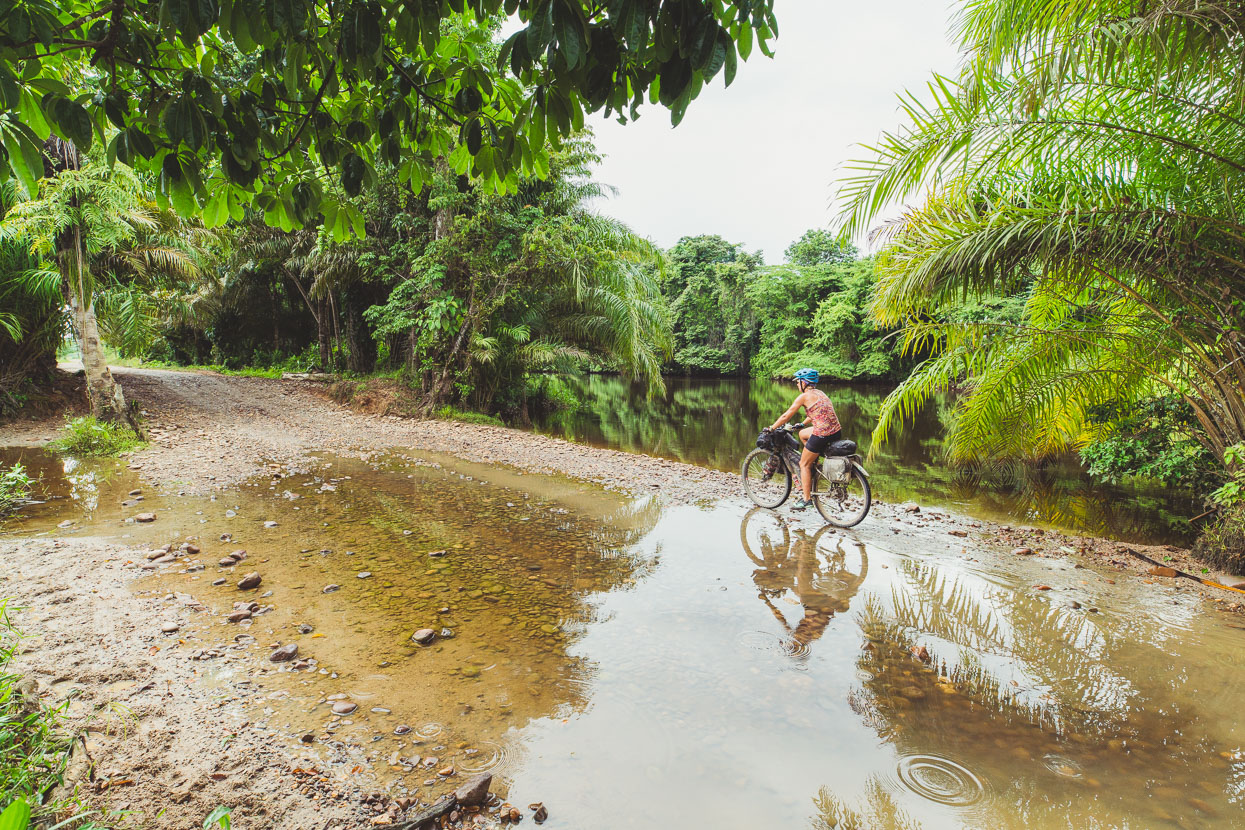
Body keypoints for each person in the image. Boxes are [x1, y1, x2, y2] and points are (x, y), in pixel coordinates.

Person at [767, 368, 841, 510]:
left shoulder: (804, 397)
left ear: (804, 383)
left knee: (803, 464)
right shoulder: (820, 393)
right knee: (802, 434)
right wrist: (802, 424)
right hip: (835, 431)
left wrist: (771, 428)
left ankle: (807, 500)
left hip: (822, 434)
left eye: (797, 382)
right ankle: (815, 462)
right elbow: (816, 412)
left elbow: (786, 416)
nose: (796, 384)